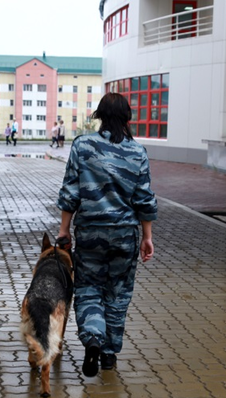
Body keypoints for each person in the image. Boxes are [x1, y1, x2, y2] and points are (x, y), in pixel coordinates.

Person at [56, 92, 157, 378]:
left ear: (99, 115)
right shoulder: (137, 152)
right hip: (125, 234)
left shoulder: (82, 145)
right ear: (127, 117)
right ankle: (109, 354)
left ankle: (92, 341)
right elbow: (144, 198)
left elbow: (70, 191)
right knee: (118, 293)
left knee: (88, 289)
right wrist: (147, 237)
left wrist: (64, 230)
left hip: (89, 232)